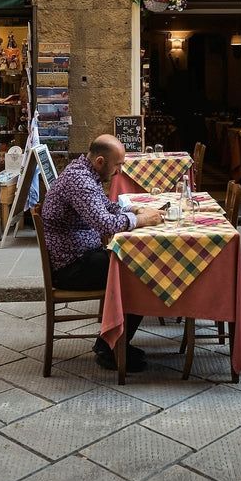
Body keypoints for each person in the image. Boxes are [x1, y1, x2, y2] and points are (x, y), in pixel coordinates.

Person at [41, 134, 163, 372]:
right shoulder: (80, 181)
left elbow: (104, 206)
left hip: (83, 256)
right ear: (99, 161)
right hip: (71, 267)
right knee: (141, 274)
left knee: (137, 267)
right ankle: (111, 349)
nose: (119, 171)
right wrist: (140, 219)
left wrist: (135, 208)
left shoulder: (84, 172)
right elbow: (106, 224)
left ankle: (111, 342)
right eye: (117, 165)